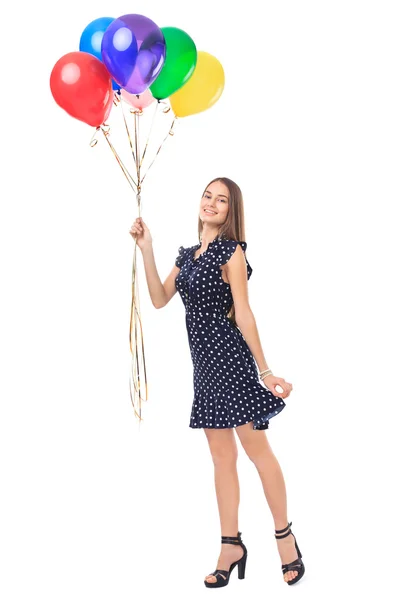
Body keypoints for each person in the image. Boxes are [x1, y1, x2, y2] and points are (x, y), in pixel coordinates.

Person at [129, 177, 305, 587]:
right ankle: (230, 544)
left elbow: (243, 313)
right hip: (205, 370)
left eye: (221, 200)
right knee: (222, 459)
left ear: (230, 212)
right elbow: (158, 299)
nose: (211, 203)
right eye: (207, 196)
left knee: (258, 453)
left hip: (233, 364)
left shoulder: (233, 252)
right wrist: (146, 247)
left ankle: (285, 538)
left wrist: (266, 371)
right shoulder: (188, 256)